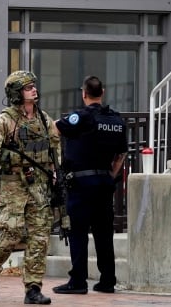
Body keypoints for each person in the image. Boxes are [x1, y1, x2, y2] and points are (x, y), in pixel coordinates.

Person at [0, 70, 61, 305]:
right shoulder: (4, 121)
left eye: (34, 86)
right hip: (11, 184)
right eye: (28, 87)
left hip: (38, 185)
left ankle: (33, 288)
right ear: (16, 94)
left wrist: (56, 172)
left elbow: (55, 148)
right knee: (11, 232)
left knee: (39, 236)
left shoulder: (44, 120)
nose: (34, 90)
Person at [52, 76, 127, 295]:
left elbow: (55, 128)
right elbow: (121, 154)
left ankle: (78, 281)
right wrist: (109, 175)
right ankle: (107, 281)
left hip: (81, 182)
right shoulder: (116, 120)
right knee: (104, 233)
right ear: (102, 92)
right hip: (104, 182)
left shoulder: (81, 117)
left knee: (78, 232)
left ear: (83, 93)